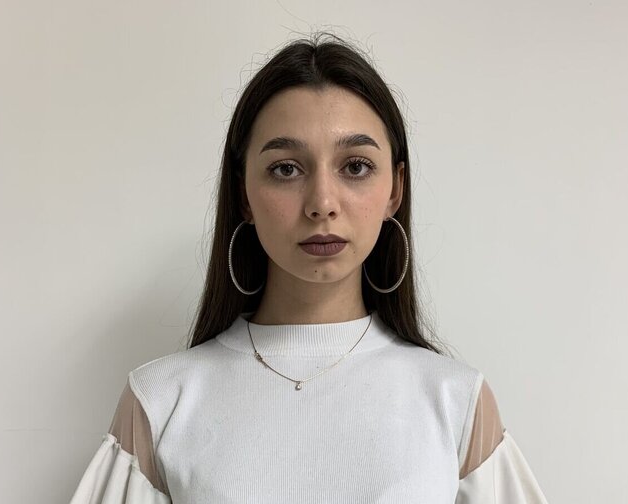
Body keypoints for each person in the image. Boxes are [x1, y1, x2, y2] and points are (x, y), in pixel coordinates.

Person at [69, 32, 548, 503]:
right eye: (286, 168)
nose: (322, 203)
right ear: (243, 194)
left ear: (395, 190)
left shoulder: (456, 402)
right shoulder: (161, 402)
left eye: (355, 166)